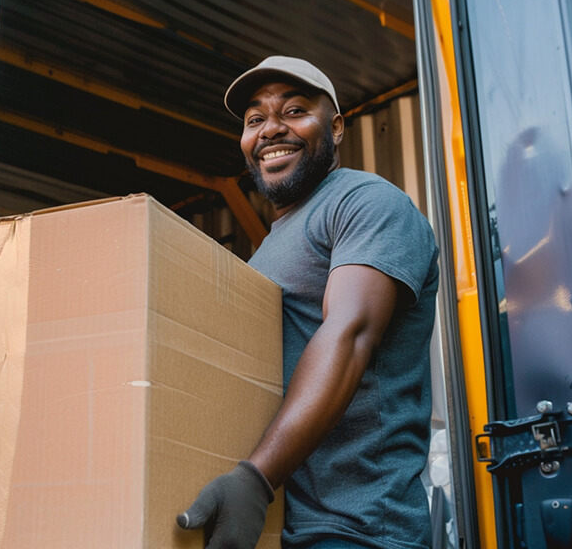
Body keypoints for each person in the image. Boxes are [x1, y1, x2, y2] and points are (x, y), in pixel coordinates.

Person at [177, 56, 440, 549]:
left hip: (360, 530)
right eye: (255, 120)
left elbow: (350, 334)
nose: (271, 130)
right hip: (290, 527)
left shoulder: (366, 203)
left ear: (336, 127)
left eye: (294, 111)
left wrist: (254, 480)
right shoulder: (270, 246)